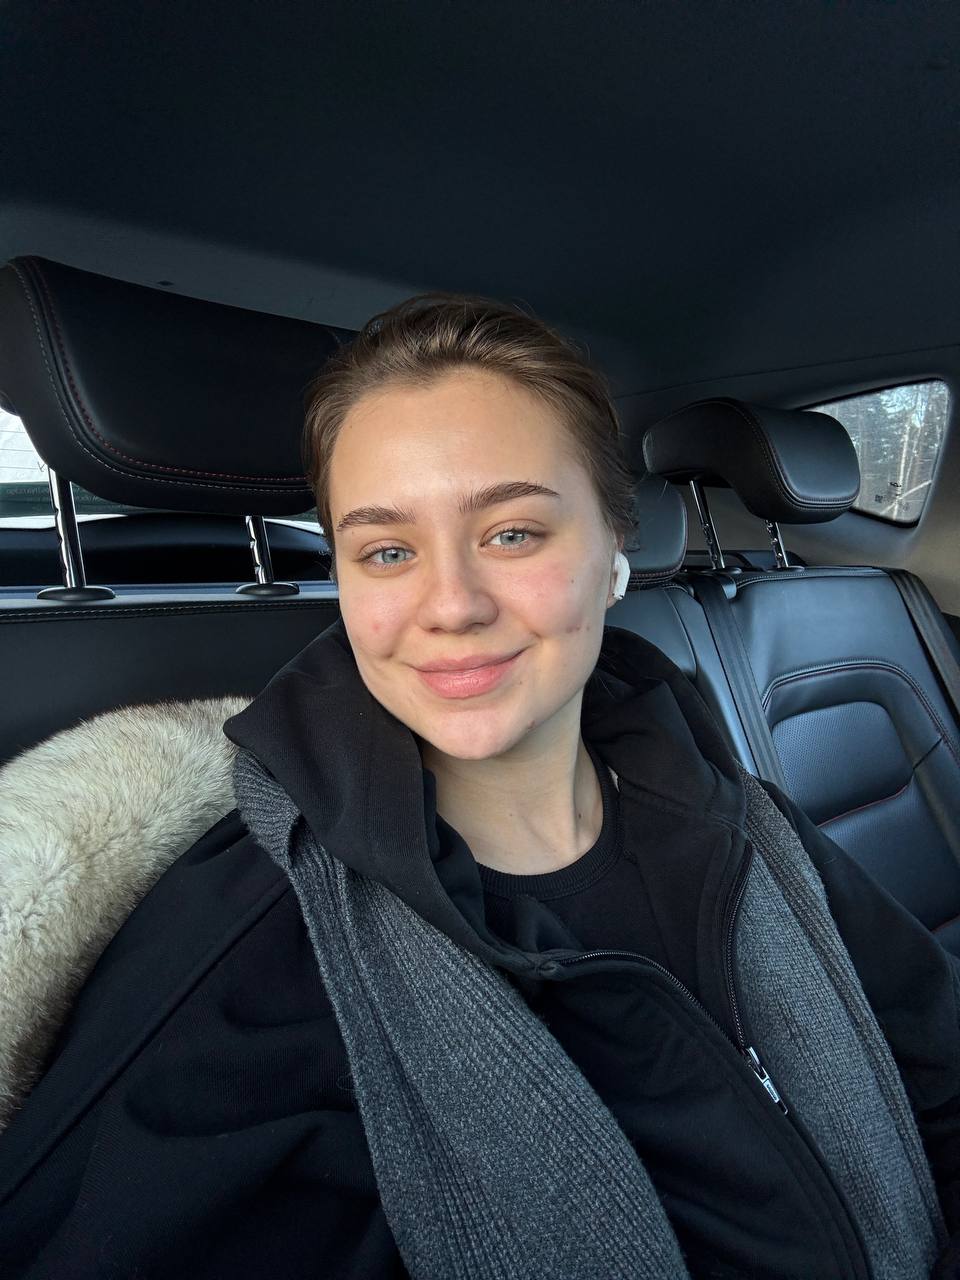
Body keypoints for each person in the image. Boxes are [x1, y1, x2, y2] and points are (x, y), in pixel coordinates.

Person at [1, 293, 960, 1279]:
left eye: (513, 533)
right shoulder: (251, 958)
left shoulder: (741, 815)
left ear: (614, 551)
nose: (451, 604)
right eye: (387, 551)